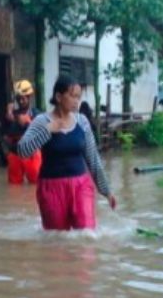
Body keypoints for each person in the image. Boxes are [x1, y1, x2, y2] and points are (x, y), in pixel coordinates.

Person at [17, 74, 116, 231]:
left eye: (78, 97)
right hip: (51, 188)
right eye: (72, 96)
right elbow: (22, 150)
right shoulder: (42, 121)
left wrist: (106, 191)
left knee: (86, 235)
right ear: (58, 96)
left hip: (81, 186)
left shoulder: (82, 121)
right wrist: (47, 131)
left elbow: (93, 159)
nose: (76, 101)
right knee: (57, 243)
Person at [3, 79, 42, 184]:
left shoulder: (37, 114)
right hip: (15, 152)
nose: (21, 101)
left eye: (23, 99)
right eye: (18, 99)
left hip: (32, 152)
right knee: (14, 185)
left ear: (29, 97)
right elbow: (6, 136)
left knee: (35, 182)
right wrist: (10, 117)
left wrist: (26, 124)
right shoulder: (11, 115)